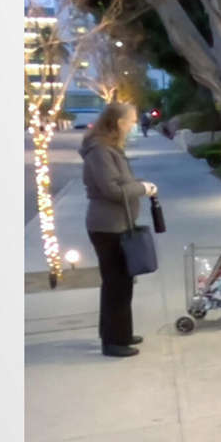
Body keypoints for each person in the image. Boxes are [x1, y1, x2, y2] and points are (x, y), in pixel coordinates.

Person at [80, 102, 158, 358]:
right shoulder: (100, 151)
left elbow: (121, 182)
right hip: (107, 226)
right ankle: (113, 341)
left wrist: (138, 186)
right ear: (118, 123)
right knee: (116, 283)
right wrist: (142, 188)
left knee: (123, 282)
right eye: (131, 121)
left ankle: (120, 333)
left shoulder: (110, 149)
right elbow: (112, 189)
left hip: (118, 223)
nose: (134, 125)